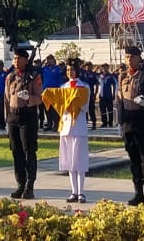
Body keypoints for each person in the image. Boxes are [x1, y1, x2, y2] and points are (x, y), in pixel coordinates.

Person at [117, 45, 144, 205]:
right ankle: (138, 193)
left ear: (139, 58)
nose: (129, 60)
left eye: (132, 57)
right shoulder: (122, 76)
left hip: (142, 119)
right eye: (127, 57)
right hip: (128, 120)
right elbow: (120, 100)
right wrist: (120, 122)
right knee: (133, 158)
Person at [42, 59, 91, 204]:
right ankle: (73, 192)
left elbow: (85, 107)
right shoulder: (63, 87)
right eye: (68, 70)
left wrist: (73, 101)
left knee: (79, 161)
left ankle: (81, 192)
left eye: (73, 70)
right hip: (65, 126)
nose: (70, 72)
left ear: (77, 71)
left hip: (79, 126)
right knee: (70, 161)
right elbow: (57, 101)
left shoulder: (85, 87)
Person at [6, 46, 43, 199]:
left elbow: (41, 97)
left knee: (29, 151)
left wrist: (29, 98)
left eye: (18, 58)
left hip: (28, 116)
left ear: (25, 60)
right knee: (16, 152)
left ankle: (30, 185)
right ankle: (20, 183)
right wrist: (7, 117)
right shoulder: (11, 77)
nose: (15, 61)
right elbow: (7, 99)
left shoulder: (34, 76)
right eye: (14, 58)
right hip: (14, 117)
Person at [98, 64, 117, 128]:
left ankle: (110, 122)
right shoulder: (100, 76)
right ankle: (104, 123)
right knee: (102, 110)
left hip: (108, 96)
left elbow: (114, 85)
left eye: (105, 67)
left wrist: (114, 94)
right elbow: (98, 85)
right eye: (103, 67)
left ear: (108, 68)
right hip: (102, 96)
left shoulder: (111, 76)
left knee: (110, 110)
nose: (104, 69)